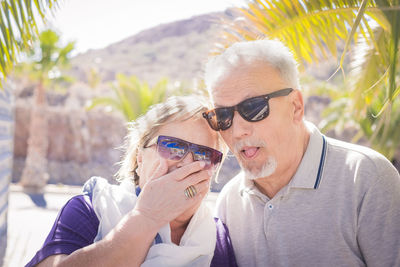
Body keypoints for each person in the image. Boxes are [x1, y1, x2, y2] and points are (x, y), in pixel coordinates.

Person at [202, 39, 400, 266]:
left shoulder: (367, 179)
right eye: (223, 116)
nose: (237, 131)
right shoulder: (229, 202)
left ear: (295, 107)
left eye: (253, 108)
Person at [26, 95, 237, 267]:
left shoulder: (217, 238)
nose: (187, 164)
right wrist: (146, 218)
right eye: (173, 147)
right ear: (140, 157)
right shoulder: (91, 210)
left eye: (204, 155)